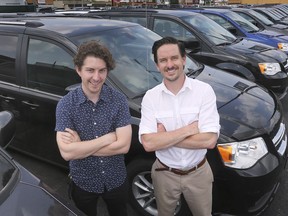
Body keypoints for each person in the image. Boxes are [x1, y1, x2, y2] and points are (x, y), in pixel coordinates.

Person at [138, 37, 220, 216]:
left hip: (198, 173)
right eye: (163, 60)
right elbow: (148, 144)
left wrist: (164, 138)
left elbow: (210, 140)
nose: (169, 65)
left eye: (174, 58)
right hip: (164, 174)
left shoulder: (204, 91)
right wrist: (189, 130)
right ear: (157, 65)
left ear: (184, 59)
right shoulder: (150, 98)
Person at [55, 40, 132, 216]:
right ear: (78, 70)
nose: (96, 77)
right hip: (83, 182)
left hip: (116, 180)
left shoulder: (118, 100)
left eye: (102, 70)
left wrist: (81, 146)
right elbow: (67, 153)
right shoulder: (66, 105)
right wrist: (108, 138)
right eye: (90, 70)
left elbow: (124, 146)